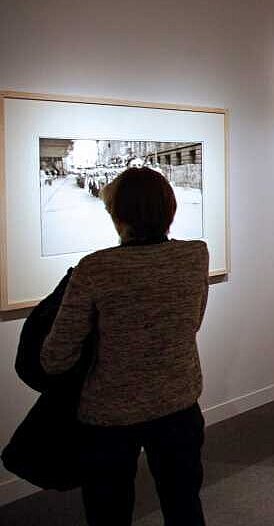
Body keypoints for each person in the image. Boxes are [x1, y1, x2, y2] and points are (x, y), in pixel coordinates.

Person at [40, 167, 210, 525]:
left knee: (109, 514)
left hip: (110, 416)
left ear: (118, 215)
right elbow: (192, 322)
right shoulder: (195, 256)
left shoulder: (96, 269)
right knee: (184, 506)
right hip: (179, 402)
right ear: (170, 209)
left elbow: (55, 357)